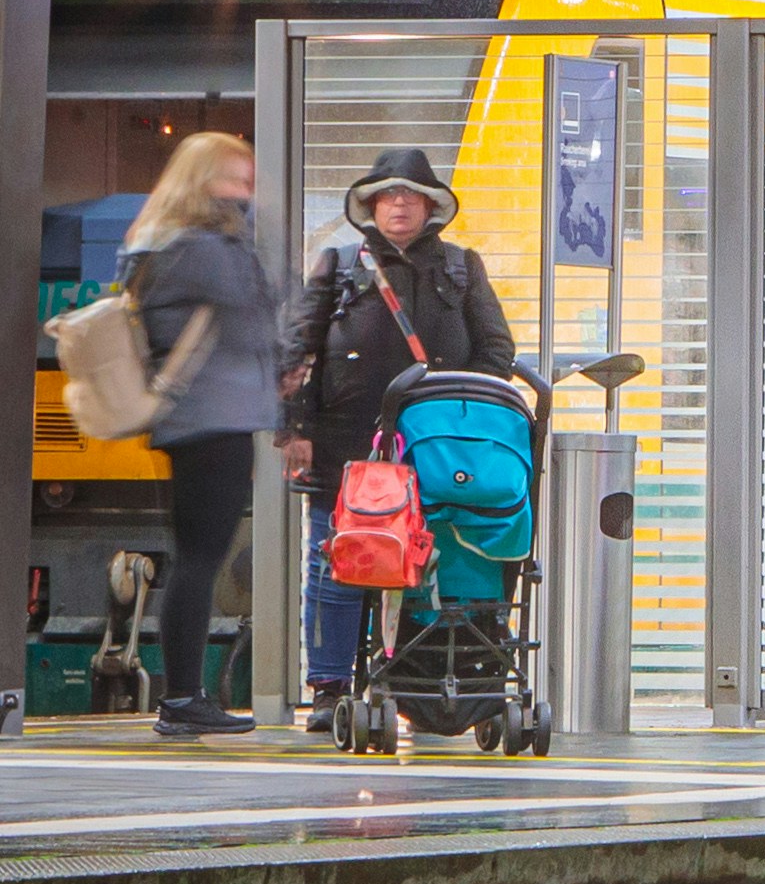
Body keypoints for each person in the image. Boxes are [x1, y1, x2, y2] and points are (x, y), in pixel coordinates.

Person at [277, 147, 514, 704]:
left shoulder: (462, 266)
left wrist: (455, 409)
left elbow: (497, 347)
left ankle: (431, 686)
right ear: (371, 207)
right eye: (388, 194)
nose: (400, 204)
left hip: (437, 456)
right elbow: (296, 352)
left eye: (412, 195)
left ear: (431, 208)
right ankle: (330, 689)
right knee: (336, 563)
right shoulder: (337, 266)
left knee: (434, 562)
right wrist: (293, 429)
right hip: (344, 450)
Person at [116, 130, 276, 736]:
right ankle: (182, 699)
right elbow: (258, 312)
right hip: (214, 419)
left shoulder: (168, 241)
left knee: (196, 559)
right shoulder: (202, 248)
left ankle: (184, 696)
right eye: (236, 178)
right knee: (200, 561)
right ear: (203, 180)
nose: (245, 191)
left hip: (200, 419)